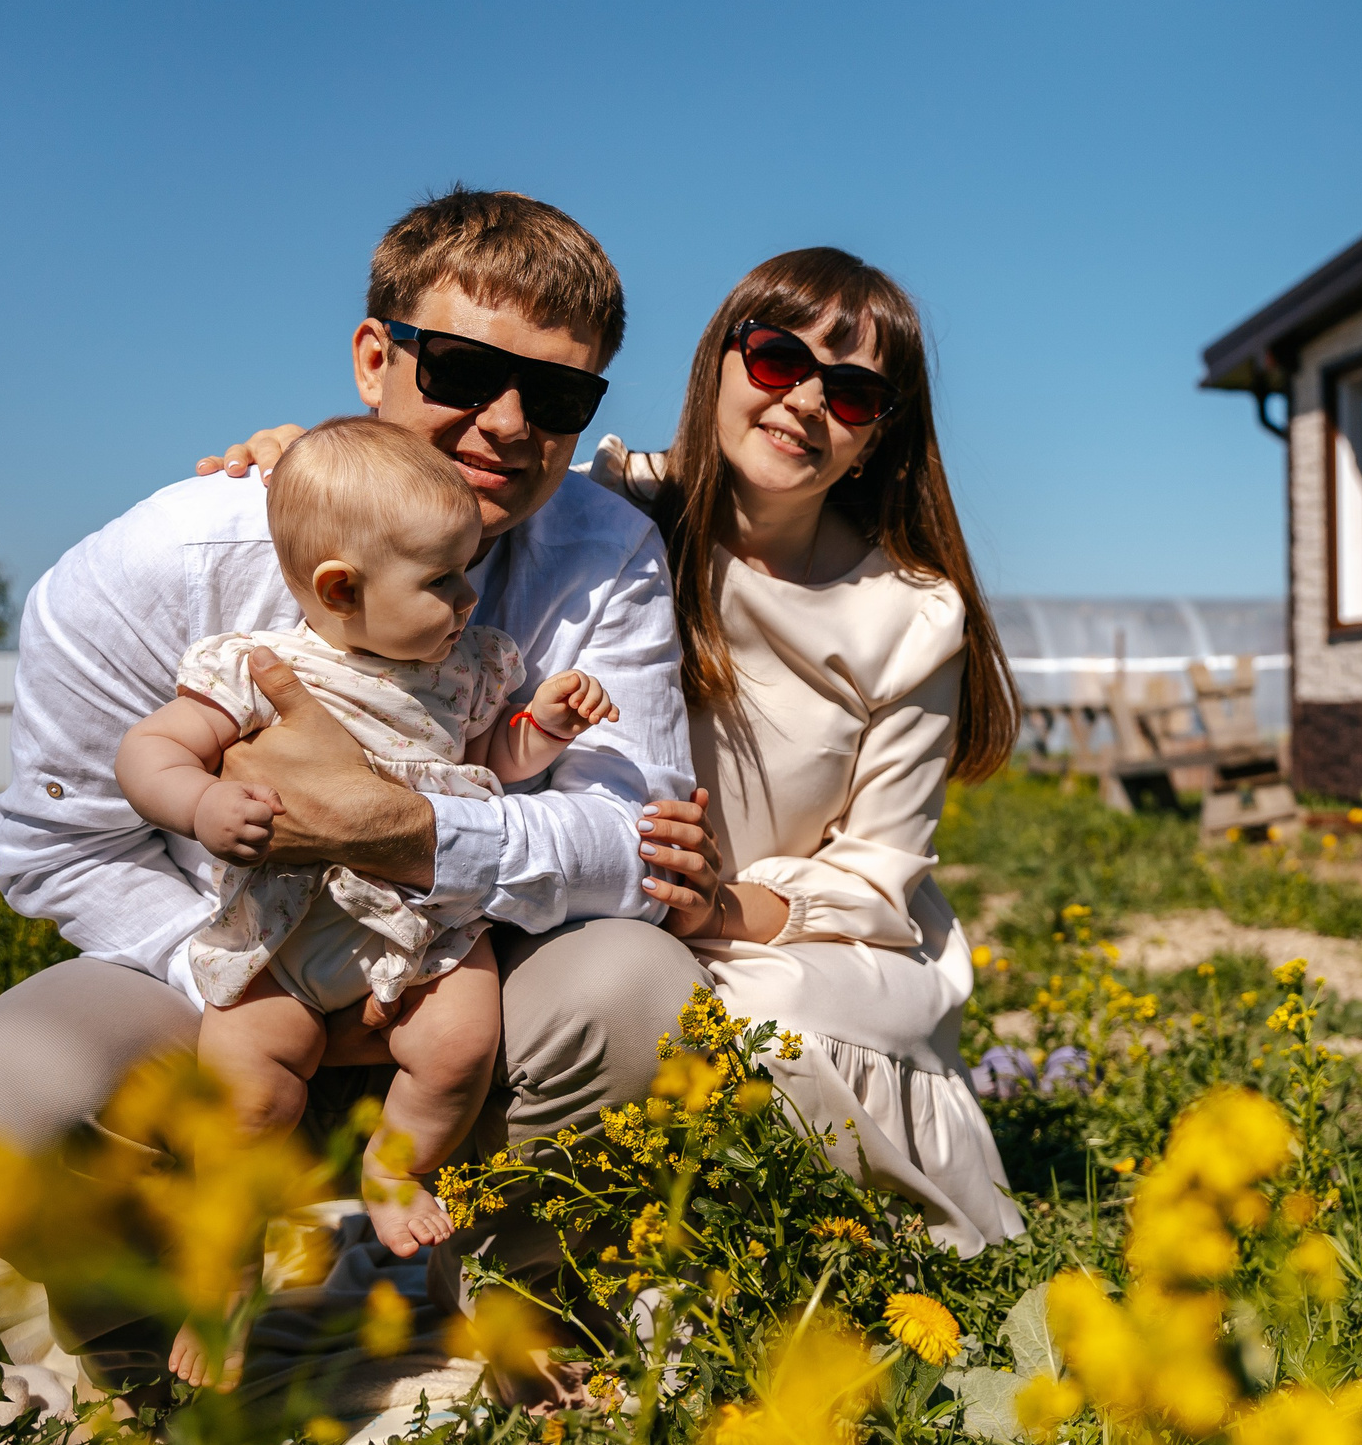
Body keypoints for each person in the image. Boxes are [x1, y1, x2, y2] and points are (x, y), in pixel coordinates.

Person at [0, 190, 711, 1393]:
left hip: (457, 988)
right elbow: (62, 849)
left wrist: (407, 832)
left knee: (639, 992)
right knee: (4, 1103)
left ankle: (520, 1293)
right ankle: (154, 1318)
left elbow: (633, 847)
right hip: (222, 971)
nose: (508, 423)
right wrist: (268, 979)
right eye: (464, 371)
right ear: (374, 357)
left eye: (557, 396)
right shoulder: (162, 567)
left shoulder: (603, 558)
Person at [217, 247, 1028, 1258]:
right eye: (778, 359)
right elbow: (413, 493)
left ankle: (726, 1265)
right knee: (574, 985)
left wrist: (719, 906)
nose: (809, 401)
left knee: (743, 1010)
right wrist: (306, 461)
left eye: (855, 393)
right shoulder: (617, 504)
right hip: (594, 902)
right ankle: (508, 1251)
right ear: (717, 362)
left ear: (877, 439)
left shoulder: (908, 612)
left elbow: (880, 874)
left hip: (784, 931)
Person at [115, 416, 625, 1372]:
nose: (469, 597)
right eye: (443, 580)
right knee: (244, 1092)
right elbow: (150, 750)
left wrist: (544, 731)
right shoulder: (261, 668)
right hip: (284, 931)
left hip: (422, 928)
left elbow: (489, 760)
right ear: (341, 589)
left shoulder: (466, 669)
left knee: (459, 1042)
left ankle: (395, 1165)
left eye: (469, 572)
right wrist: (201, 802)